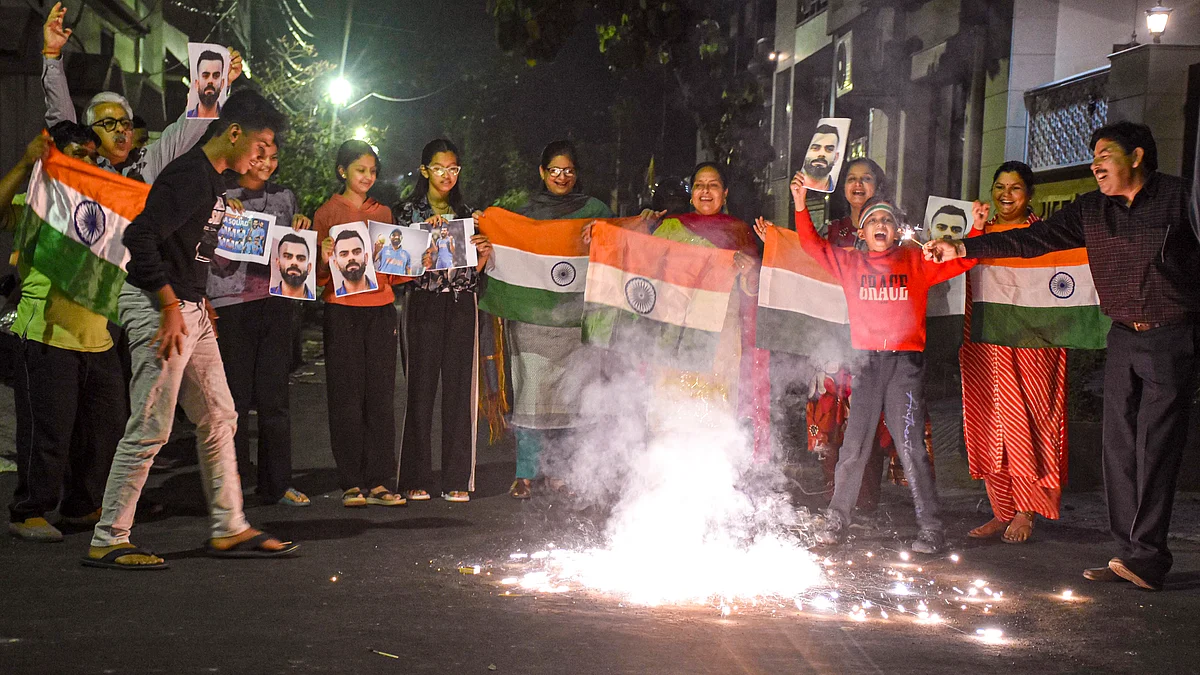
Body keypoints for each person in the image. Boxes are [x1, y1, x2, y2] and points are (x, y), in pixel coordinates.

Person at [925, 122, 1198, 590]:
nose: (1095, 164)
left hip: (1171, 337)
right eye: (1093, 156)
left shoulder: (1181, 200)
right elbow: (1031, 240)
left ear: (1136, 156)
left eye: (1105, 154)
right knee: (1118, 446)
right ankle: (1128, 552)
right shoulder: (1092, 209)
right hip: (1123, 337)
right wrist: (964, 245)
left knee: (1155, 446)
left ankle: (1150, 556)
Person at [83, 89, 298, 570]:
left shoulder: (215, 181)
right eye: (261, 146)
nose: (264, 157)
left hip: (190, 309)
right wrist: (169, 307)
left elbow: (188, 250)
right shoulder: (189, 176)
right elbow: (138, 237)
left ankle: (229, 527)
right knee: (151, 426)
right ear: (234, 133)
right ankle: (109, 536)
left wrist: (198, 304)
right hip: (158, 307)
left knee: (220, 414)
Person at [761, 176, 975, 554]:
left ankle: (931, 528)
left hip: (904, 366)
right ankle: (837, 520)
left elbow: (967, 258)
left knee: (911, 448)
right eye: (874, 221)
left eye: (888, 222)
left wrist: (980, 225)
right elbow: (810, 244)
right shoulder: (849, 262)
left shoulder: (916, 261)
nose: (880, 226)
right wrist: (799, 201)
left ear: (897, 231)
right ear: (861, 231)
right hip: (865, 365)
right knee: (853, 447)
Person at [958, 161, 1066, 545]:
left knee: (1031, 419)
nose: (1006, 194)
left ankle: (1026, 510)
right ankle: (1002, 510)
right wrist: (972, 229)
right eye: (999, 186)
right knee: (991, 421)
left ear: (1030, 193)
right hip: (987, 342)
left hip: (1032, 343)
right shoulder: (980, 233)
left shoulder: (1045, 234)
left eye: (1015, 187)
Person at [205, 140, 313, 508]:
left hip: (275, 303)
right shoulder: (219, 193)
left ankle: (277, 483)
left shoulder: (284, 198)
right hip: (232, 304)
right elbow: (207, 254)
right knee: (232, 399)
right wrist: (222, 217)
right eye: (260, 155)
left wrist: (300, 225)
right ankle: (231, 485)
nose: (267, 163)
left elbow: (294, 247)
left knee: (275, 398)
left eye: (274, 157)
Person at [507, 140, 614, 499]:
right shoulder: (525, 214)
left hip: (575, 319)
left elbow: (619, 243)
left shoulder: (595, 209)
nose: (562, 177)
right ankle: (525, 473)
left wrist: (603, 232)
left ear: (577, 174)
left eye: (568, 171)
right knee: (530, 395)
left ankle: (561, 472)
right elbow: (507, 248)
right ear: (542, 173)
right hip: (534, 320)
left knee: (571, 397)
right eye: (554, 170)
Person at [646, 162, 771, 459]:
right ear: (691, 194)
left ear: (724, 193)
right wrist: (638, 227)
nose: (705, 191)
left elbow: (752, 292)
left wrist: (751, 272)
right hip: (674, 332)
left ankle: (712, 474)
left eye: (713, 185)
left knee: (713, 405)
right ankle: (667, 472)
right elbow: (643, 269)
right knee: (673, 404)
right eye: (699, 185)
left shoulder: (739, 232)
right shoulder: (669, 228)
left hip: (721, 333)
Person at [801, 158, 903, 515]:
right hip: (834, 340)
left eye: (867, 179)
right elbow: (808, 256)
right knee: (831, 422)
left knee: (869, 422)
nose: (858, 185)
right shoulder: (834, 231)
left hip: (877, 344)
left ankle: (865, 503)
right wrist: (778, 241)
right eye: (851, 179)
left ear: (880, 185)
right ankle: (834, 497)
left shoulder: (895, 230)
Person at [40, 3, 241, 181]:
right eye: (109, 123)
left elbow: (187, 129)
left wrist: (220, 83)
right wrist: (51, 55)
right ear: (90, 131)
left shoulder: (149, 162)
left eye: (126, 123)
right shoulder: (81, 163)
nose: (121, 130)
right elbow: (62, 121)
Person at [394, 138, 492, 503]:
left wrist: (483, 252)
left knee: (459, 392)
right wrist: (423, 235)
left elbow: (477, 270)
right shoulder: (405, 212)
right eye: (439, 168)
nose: (446, 175)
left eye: (453, 168)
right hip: (423, 303)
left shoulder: (470, 213)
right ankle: (414, 477)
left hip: (462, 304)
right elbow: (399, 266)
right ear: (424, 170)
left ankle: (456, 478)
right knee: (420, 391)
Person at [314, 140, 407, 508]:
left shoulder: (383, 213)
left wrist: (413, 259)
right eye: (359, 170)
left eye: (372, 170)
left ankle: (381, 479)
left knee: (380, 395)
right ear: (342, 172)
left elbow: (396, 272)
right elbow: (317, 277)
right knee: (346, 396)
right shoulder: (326, 213)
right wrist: (321, 258)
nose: (367, 177)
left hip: (381, 309)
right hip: (341, 311)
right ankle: (351, 481)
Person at [330, 229, 377, 296]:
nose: (351, 258)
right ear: (336, 264)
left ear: (366, 258)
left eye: (357, 252)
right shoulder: (334, 299)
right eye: (344, 254)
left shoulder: (379, 292)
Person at [799, 124, 841, 192]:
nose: (822, 154)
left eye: (829, 149)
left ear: (836, 157)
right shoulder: (795, 187)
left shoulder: (840, 191)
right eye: (815, 148)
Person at [272, 233, 315, 299]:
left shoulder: (315, 302)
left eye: (301, 258)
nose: (294, 262)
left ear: (309, 268)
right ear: (278, 263)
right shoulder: (266, 296)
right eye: (288, 257)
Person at [186, 50, 226, 119]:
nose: (210, 81)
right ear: (197, 84)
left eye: (216, 76)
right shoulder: (184, 122)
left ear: (222, 83)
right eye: (205, 76)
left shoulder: (228, 120)